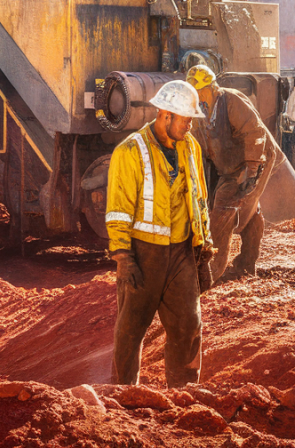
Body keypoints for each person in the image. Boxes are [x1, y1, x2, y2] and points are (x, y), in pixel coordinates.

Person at [105, 79, 215, 388]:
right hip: (144, 254)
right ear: (165, 114)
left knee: (189, 325)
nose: (190, 126)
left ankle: (184, 392)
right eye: (185, 119)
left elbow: (199, 198)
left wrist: (203, 248)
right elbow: (118, 211)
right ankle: (123, 395)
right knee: (130, 329)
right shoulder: (130, 151)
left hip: (181, 253)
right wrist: (124, 258)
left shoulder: (190, 147)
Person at [187, 65, 283, 282]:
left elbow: (256, 134)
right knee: (248, 211)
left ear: (212, 87)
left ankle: (209, 273)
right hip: (230, 167)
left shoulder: (231, 102)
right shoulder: (201, 110)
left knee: (225, 206)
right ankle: (246, 265)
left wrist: (251, 172)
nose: (197, 96)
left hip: (255, 159)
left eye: (200, 91)